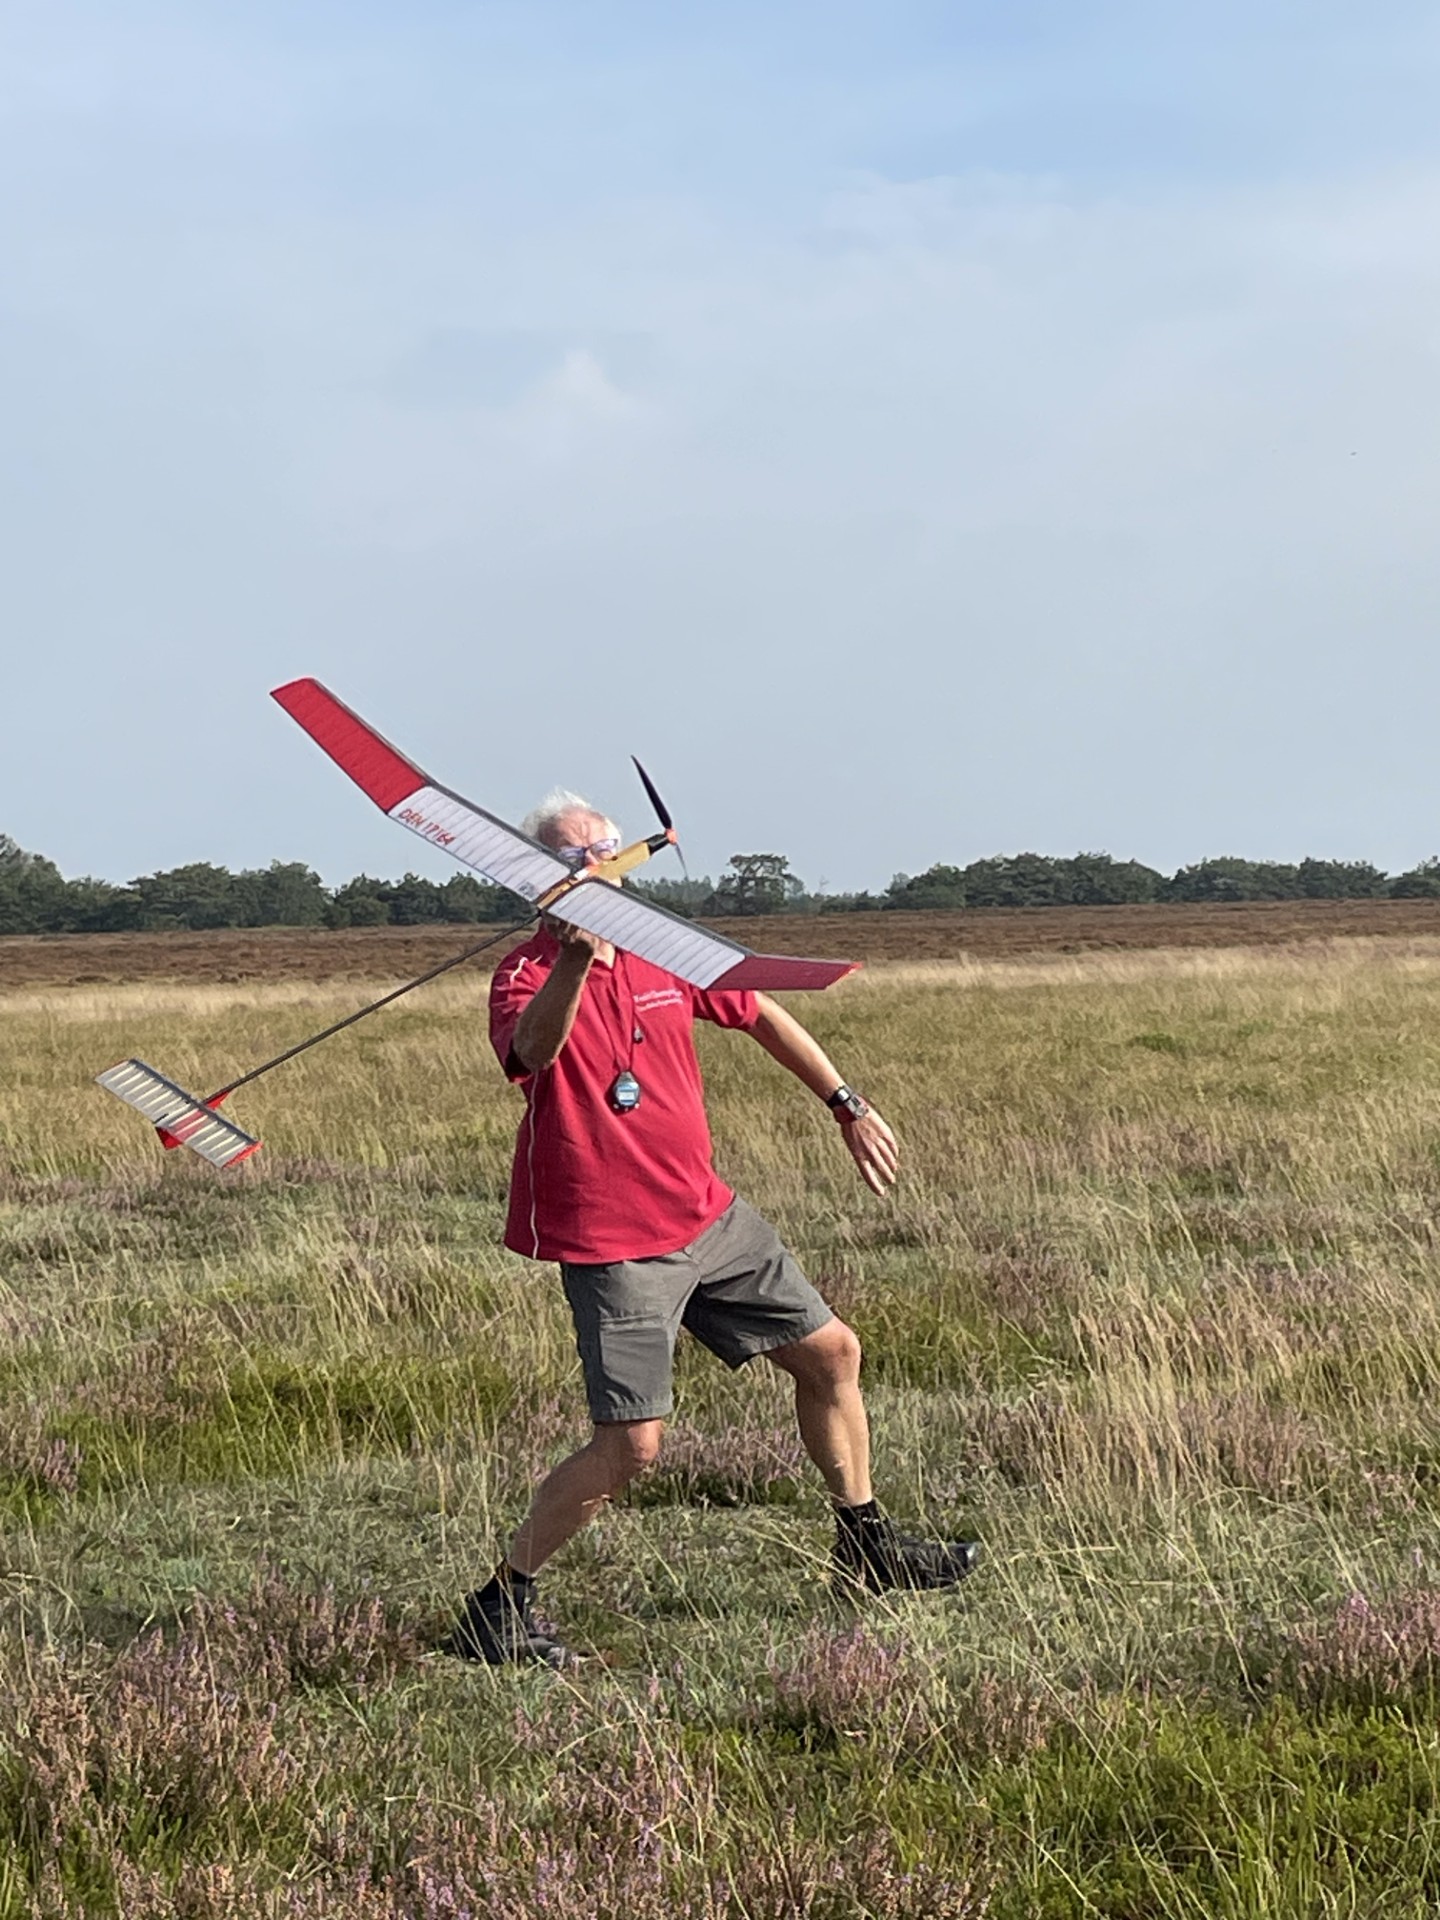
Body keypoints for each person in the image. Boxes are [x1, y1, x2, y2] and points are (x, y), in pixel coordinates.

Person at [440, 790, 978, 1667]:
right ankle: (499, 1607)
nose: (602, 865)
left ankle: (867, 1548)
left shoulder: (665, 957)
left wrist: (845, 1104)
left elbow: (758, 1009)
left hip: (707, 1214)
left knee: (833, 1353)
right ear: (540, 881)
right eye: (579, 857)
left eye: (609, 850)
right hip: (613, 1239)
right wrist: (577, 960)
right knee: (632, 1448)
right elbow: (534, 1053)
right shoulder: (525, 973)